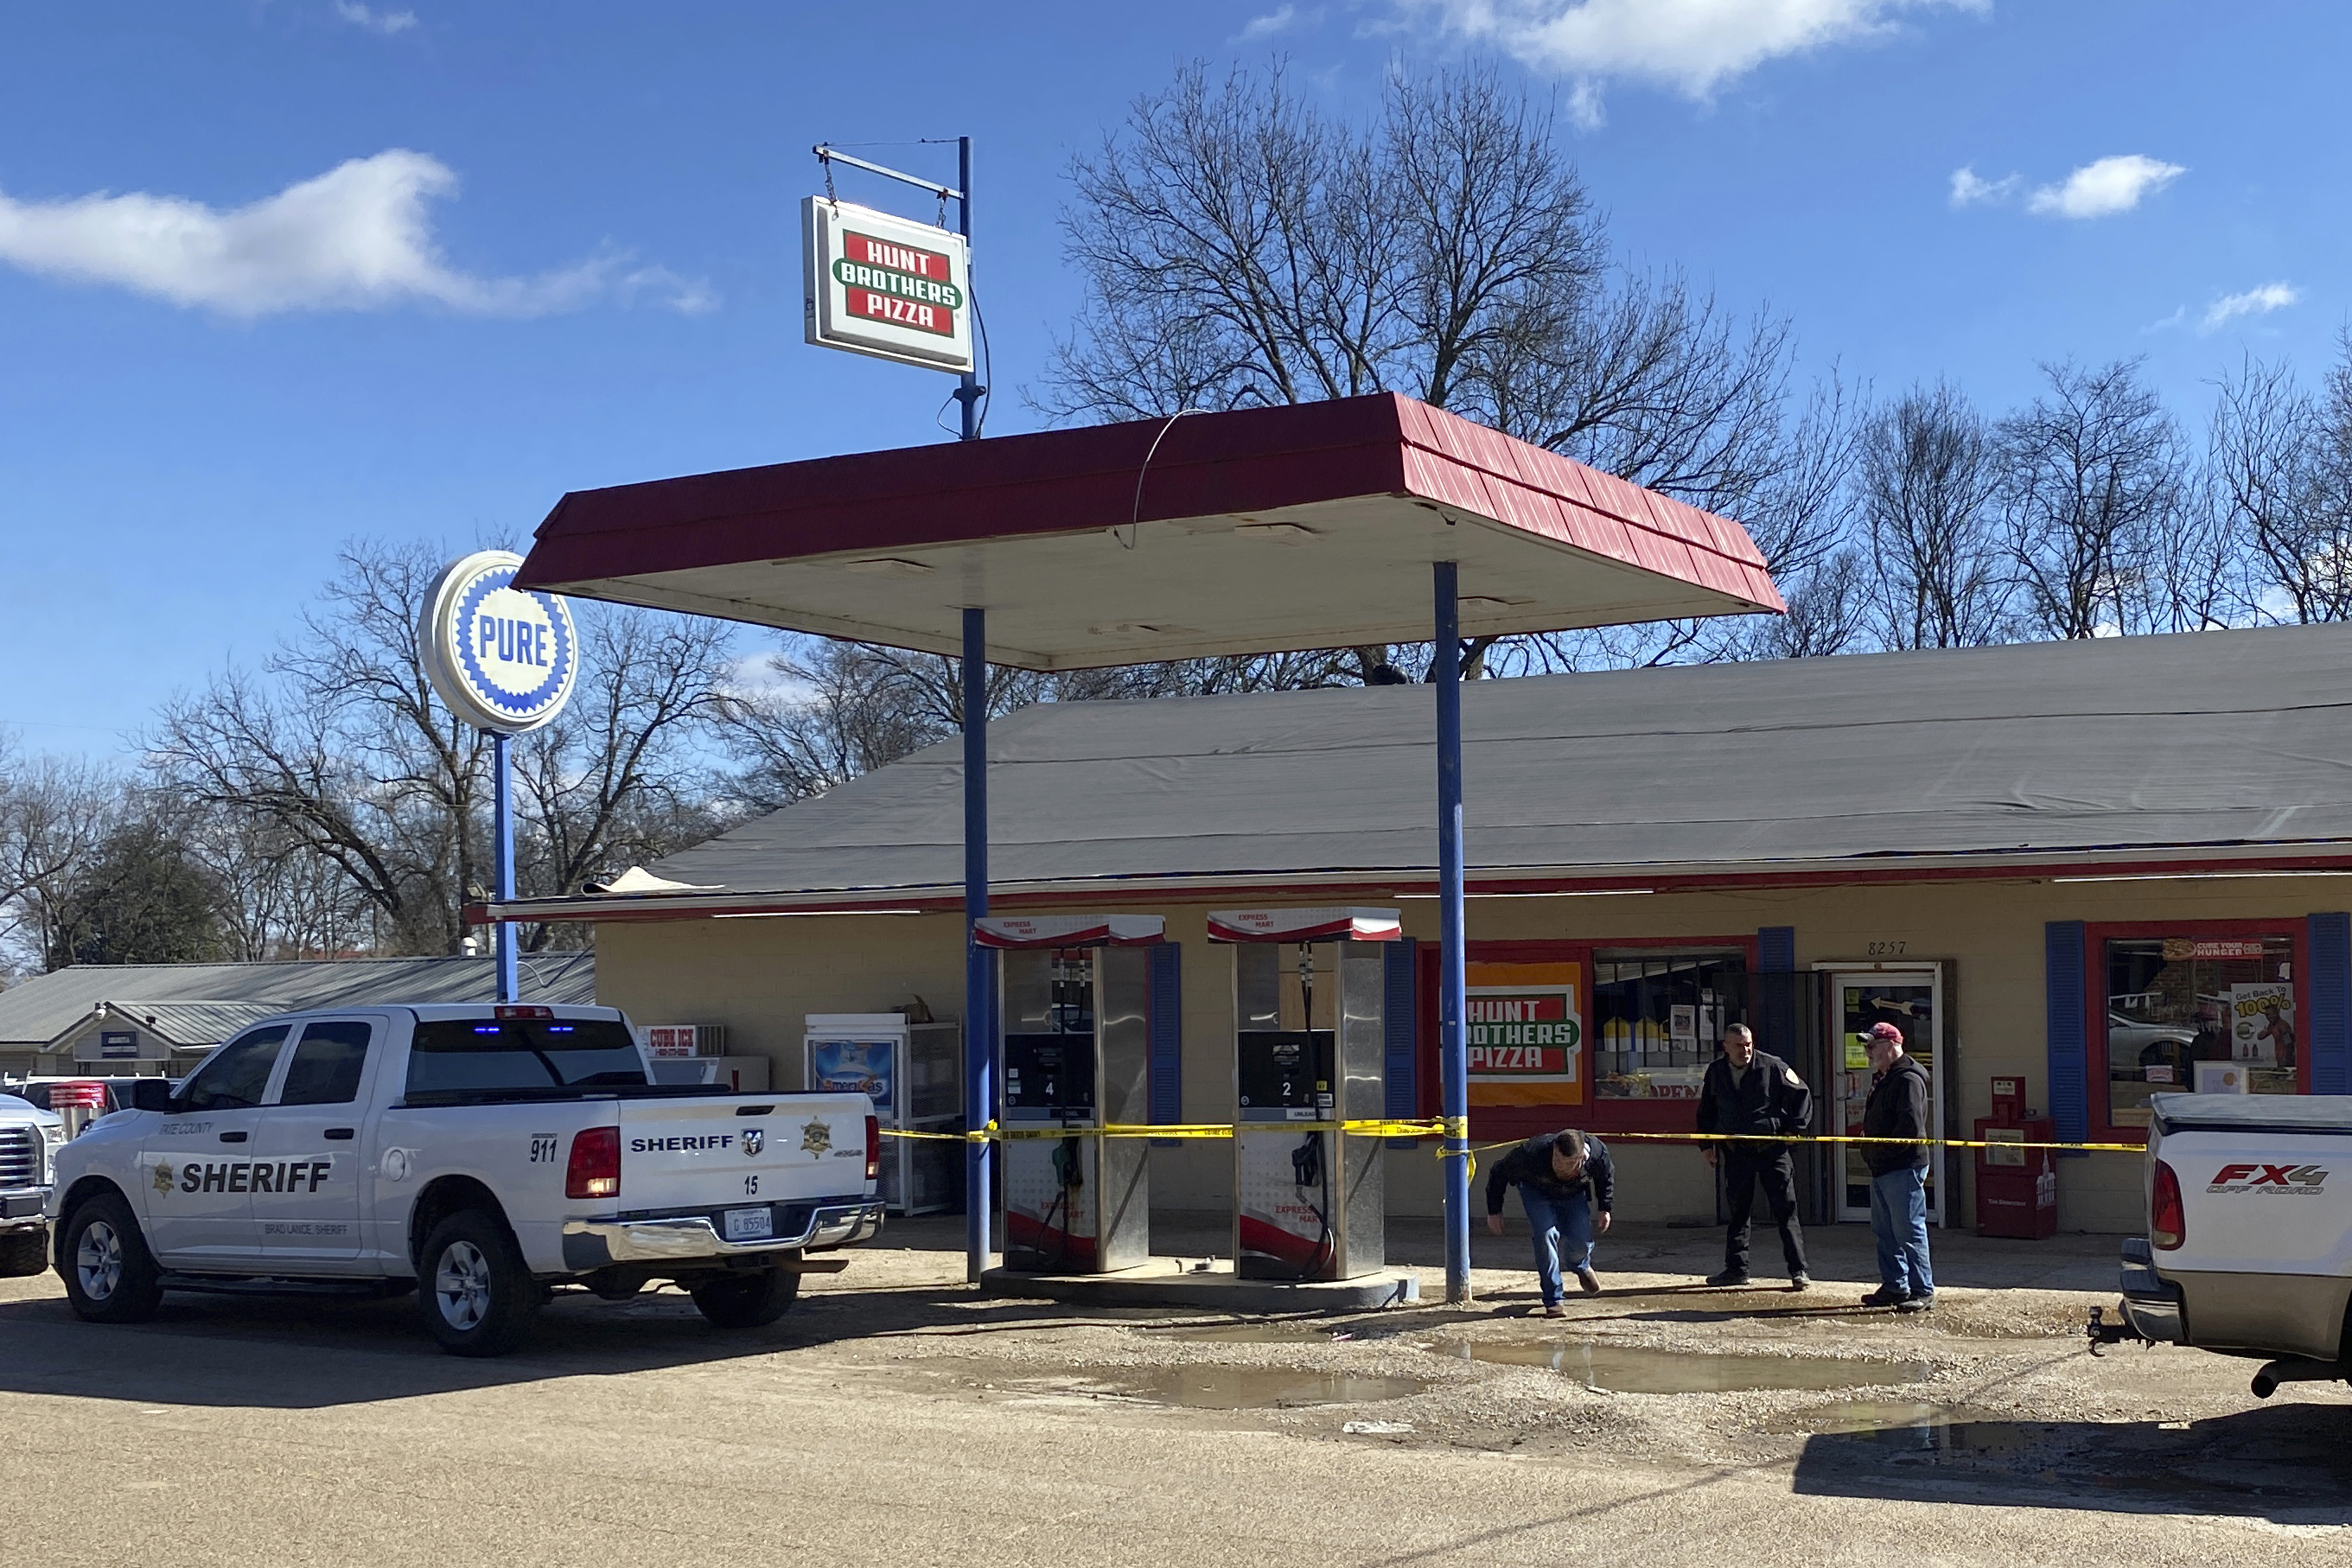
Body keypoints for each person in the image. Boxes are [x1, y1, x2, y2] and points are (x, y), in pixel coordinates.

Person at [1697, 1023, 1812, 1290]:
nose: (1745, 1050)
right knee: (1738, 1213)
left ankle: (1799, 1270)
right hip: (1736, 1153)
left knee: (1786, 1212)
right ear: (1726, 1047)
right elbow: (1707, 1111)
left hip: (1772, 1152)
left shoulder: (1772, 1066)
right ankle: (1736, 1270)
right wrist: (1706, 1145)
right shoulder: (1716, 1072)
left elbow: (1802, 1095)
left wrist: (1794, 1129)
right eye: (1738, 1045)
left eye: (1748, 1044)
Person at [1483, 1128, 1615, 1315]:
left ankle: (1581, 1265)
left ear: (1581, 1159)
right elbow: (1498, 1172)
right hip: (1536, 1190)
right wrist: (1494, 1211)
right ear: (1554, 1149)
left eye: (1568, 1164)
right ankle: (1554, 1298)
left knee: (1581, 1240)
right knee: (1545, 1235)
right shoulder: (1531, 1152)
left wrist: (1605, 1207)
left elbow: (1605, 1177)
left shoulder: (1596, 1152)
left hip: (1574, 1193)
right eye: (1557, 1161)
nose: (1560, 1167)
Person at [1858, 1021, 1935, 1311]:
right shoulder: (1886, 1077)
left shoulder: (1907, 1079)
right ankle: (1895, 1285)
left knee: (1908, 1230)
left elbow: (1911, 1128)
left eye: (1872, 1046)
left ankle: (1922, 1289)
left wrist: (1881, 1150)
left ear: (1890, 1046)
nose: (1868, 1053)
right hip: (1883, 1167)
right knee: (1884, 1230)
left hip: (1902, 1167)